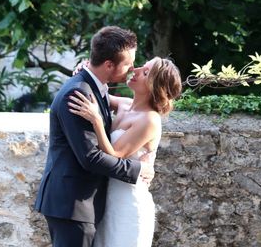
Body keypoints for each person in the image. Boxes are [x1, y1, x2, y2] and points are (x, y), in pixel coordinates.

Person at [34, 26, 144, 247]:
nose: (132, 70)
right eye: (128, 64)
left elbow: (141, 108)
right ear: (108, 64)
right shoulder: (79, 94)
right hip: (73, 205)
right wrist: (138, 170)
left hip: (79, 204)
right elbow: (90, 157)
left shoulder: (94, 86)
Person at [68, 56, 182, 247]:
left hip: (128, 203)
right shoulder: (124, 104)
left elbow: (114, 154)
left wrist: (96, 121)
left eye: (145, 73)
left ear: (155, 87)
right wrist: (85, 70)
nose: (135, 70)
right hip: (107, 200)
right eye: (141, 67)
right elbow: (97, 91)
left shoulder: (149, 120)